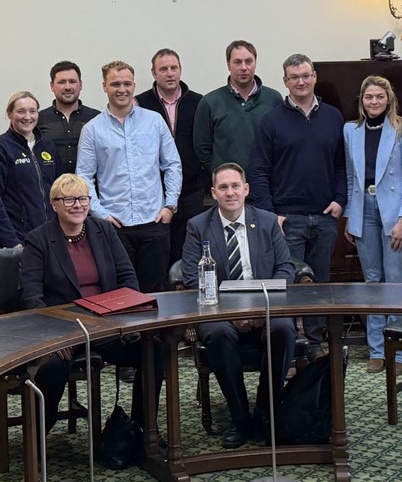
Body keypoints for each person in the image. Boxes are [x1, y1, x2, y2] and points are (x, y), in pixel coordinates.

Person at [20, 174, 164, 442]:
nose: (78, 205)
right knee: (53, 366)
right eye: (69, 199)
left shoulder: (103, 231)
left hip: (106, 322)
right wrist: (50, 336)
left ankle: (143, 430)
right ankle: (38, 435)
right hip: (62, 328)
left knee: (153, 349)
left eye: (83, 198)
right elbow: (31, 296)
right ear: (54, 204)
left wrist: (130, 317)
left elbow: (127, 276)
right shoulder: (38, 239)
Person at [181, 163, 296, 448]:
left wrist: (259, 310)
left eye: (235, 186)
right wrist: (232, 315)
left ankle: (266, 413)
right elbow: (190, 277)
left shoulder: (267, 221)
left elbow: (286, 269)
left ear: (246, 189)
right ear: (214, 193)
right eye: (223, 187)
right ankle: (240, 418)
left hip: (265, 310)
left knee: (283, 328)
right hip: (219, 314)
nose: (230, 192)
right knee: (218, 333)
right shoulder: (198, 226)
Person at [248, 53, 346, 352]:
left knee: (319, 287)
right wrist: (269, 213)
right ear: (285, 81)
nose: (301, 81)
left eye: (305, 75)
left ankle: (315, 347)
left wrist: (340, 200)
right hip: (286, 220)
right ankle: (288, 348)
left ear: (314, 76)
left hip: (324, 217)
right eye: (294, 77)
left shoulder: (333, 116)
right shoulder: (272, 120)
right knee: (287, 286)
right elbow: (259, 170)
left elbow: (342, 165)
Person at [77, 60, 182, 293]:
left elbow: (173, 164)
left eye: (126, 83)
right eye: (115, 84)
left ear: (134, 85)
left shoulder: (154, 121)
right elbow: (83, 176)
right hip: (114, 225)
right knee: (121, 291)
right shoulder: (92, 130)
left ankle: (155, 332)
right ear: (104, 86)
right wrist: (100, 213)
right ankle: (129, 332)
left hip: (154, 220)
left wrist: (170, 205)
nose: (121, 89)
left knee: (156, 290)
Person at [342, 76, 402, 374]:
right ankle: (377, 349)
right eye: (368, 97)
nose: (374, 101)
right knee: (372, 282)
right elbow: (351, 179)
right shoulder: (351, 130)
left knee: (395, 282)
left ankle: (400, 352)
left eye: (379, 96)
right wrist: (351, 215)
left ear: (389, 99)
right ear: (361, 100)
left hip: (395, 214)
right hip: (365, 211)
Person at [135, 48, 206, 266]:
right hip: (155, 192)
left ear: (180, 70)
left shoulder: (199, 102)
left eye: (173, 68)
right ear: (153, 73)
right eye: (163, 69)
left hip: (192, 190)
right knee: (159, 252)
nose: (169, 73)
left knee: (191, 249)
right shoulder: (139, 104)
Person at [193, 40, 283, 177]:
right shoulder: (209, 102)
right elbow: (202, 149)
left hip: (266, 184)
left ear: (255, 63)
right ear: (228, 64)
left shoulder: (274, 99)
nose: (244, 67)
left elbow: (281, 143)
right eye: (237, 62)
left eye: (248, 61)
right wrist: (220, 173)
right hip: (227, 188)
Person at [0, 91, 56, 248]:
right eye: (21, 111)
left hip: (52, 236)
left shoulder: (48, 146)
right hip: (19, 239)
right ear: (9, 113)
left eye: (32, 111)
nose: (27, 117)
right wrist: (11, 241)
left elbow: (59, 191)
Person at [36, 60, 100, 175]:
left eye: (72, 82)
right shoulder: (38, 120)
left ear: (80, 85)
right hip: (50, 190)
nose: (67, 87)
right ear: (52, 86)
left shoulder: (96, 118)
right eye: (61, 82)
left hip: (87, 190)